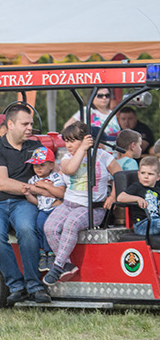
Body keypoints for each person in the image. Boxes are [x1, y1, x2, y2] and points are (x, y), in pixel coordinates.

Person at [0, 103, 50, 304]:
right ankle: (16, 285)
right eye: (25, 124)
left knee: (27, 229)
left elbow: (49, 173)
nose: (30, 128)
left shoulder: (36, 147)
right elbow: (2, 184)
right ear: (10, 124)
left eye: (31, 123)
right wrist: (32, 188)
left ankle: (35, 286)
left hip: (24, 202)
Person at [43, 121, 120, 285]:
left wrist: (112, 196)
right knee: (50, 227)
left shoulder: (103, 157)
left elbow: (120, 176)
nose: (68, 145)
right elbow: (69, 170)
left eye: (72, 141)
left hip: (93, 208)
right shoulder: (66, 158)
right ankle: (68, 265)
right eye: (67, 141)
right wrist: (82, 150)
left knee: (71, 224)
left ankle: (57, 266)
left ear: (86, 139)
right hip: (69, 204)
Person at [23, 146, 66, 271]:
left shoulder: (56, 177)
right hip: (43, 209)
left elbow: (60, 193)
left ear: (51, 165)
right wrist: (28, 195)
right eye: (35, 165)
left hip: (55, 208)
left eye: (41, 165)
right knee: (39, 226)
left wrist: (44, 186)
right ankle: (43, 253)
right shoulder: (33, 180)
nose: (38, 168)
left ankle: (51, 253)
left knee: (49, 228)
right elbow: (36, 202)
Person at [117, 155, 160, 236]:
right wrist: (137, 199)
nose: (146, 176)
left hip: (156, 221)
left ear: (158, 177)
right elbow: (120, 198)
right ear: (138, 174)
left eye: (150, 174)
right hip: (142, 225)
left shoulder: (158, 190)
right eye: (143, 173)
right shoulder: (136, 187)